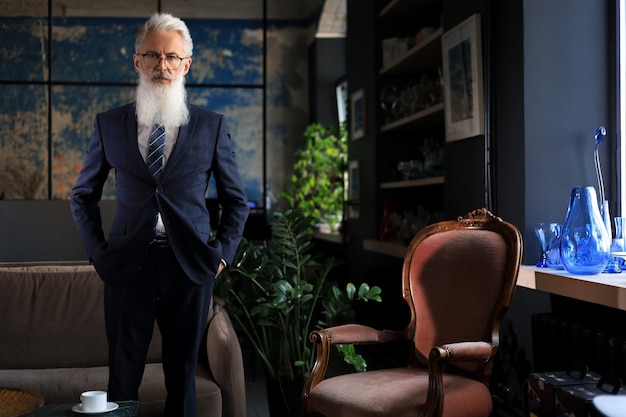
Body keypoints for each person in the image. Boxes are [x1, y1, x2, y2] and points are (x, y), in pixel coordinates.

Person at [70, 12, 249, 417]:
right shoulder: (109, 124)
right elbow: (82, 196)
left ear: (186, 64)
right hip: (126, 266)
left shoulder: (212, 126)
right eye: (152, 56)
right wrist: (99, 254)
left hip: (189, 266)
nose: (162, 66)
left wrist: (221, 254)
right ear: (137, 62)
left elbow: (236, 201)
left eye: (172, 57)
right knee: (122, 379)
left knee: (183, 377)